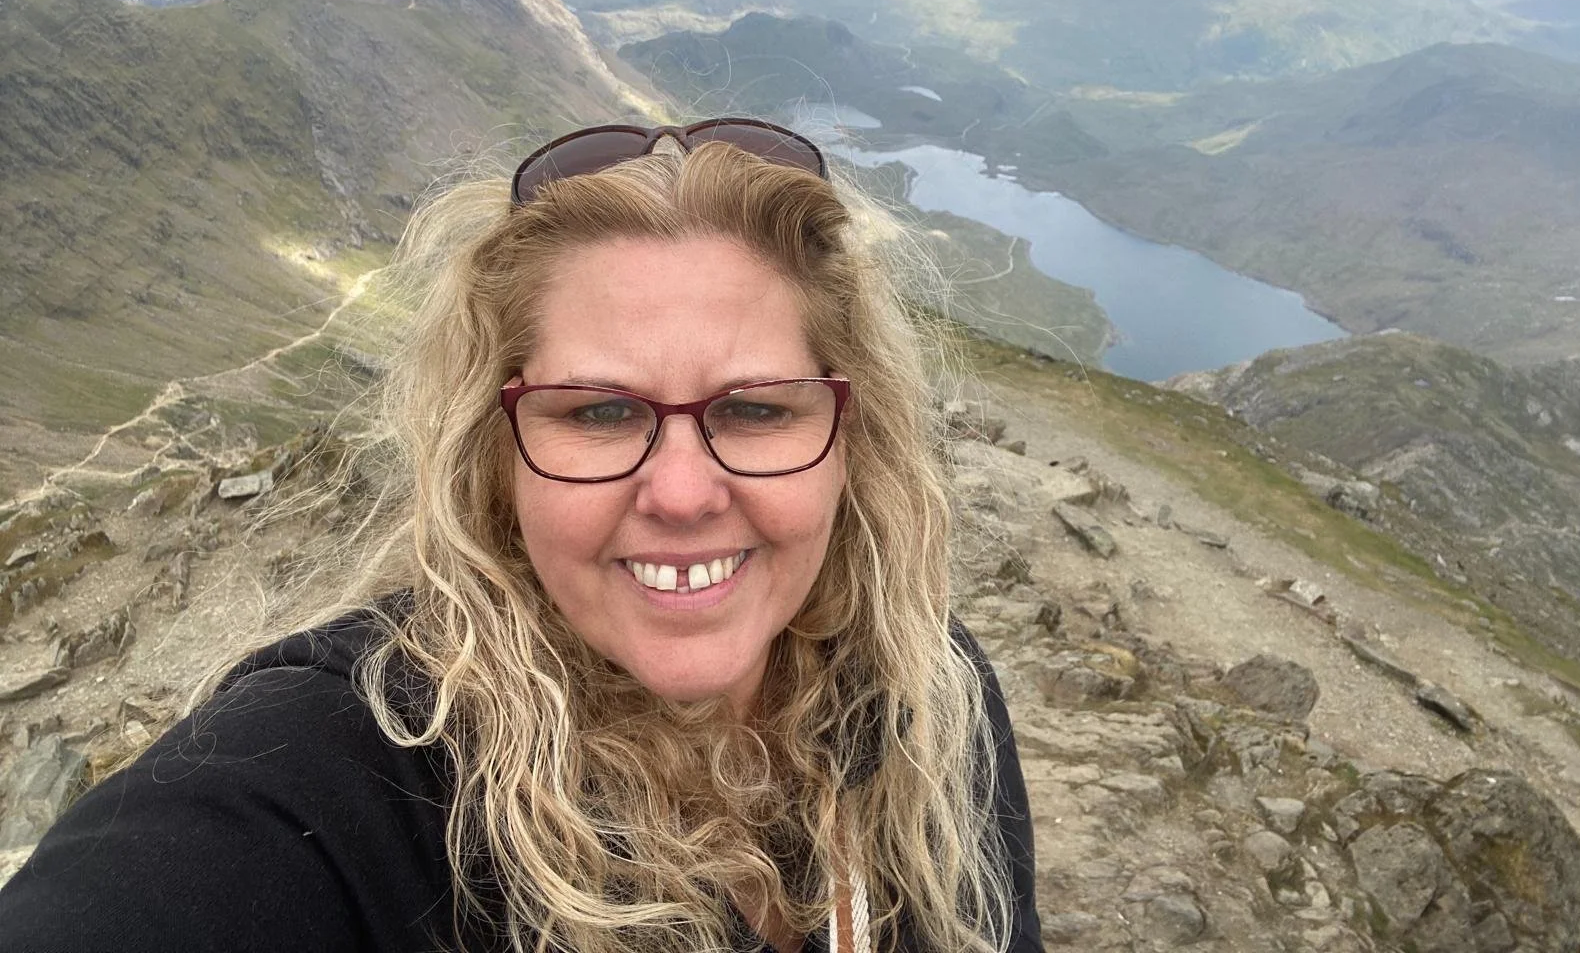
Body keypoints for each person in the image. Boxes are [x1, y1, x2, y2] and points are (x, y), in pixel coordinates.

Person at [0, 119, 1042, 952]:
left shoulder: (931, 705)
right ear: (494, 454)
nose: (682, 494)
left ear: (846, 437)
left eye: (756, 410)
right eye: (596, 413)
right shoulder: (341, 776)